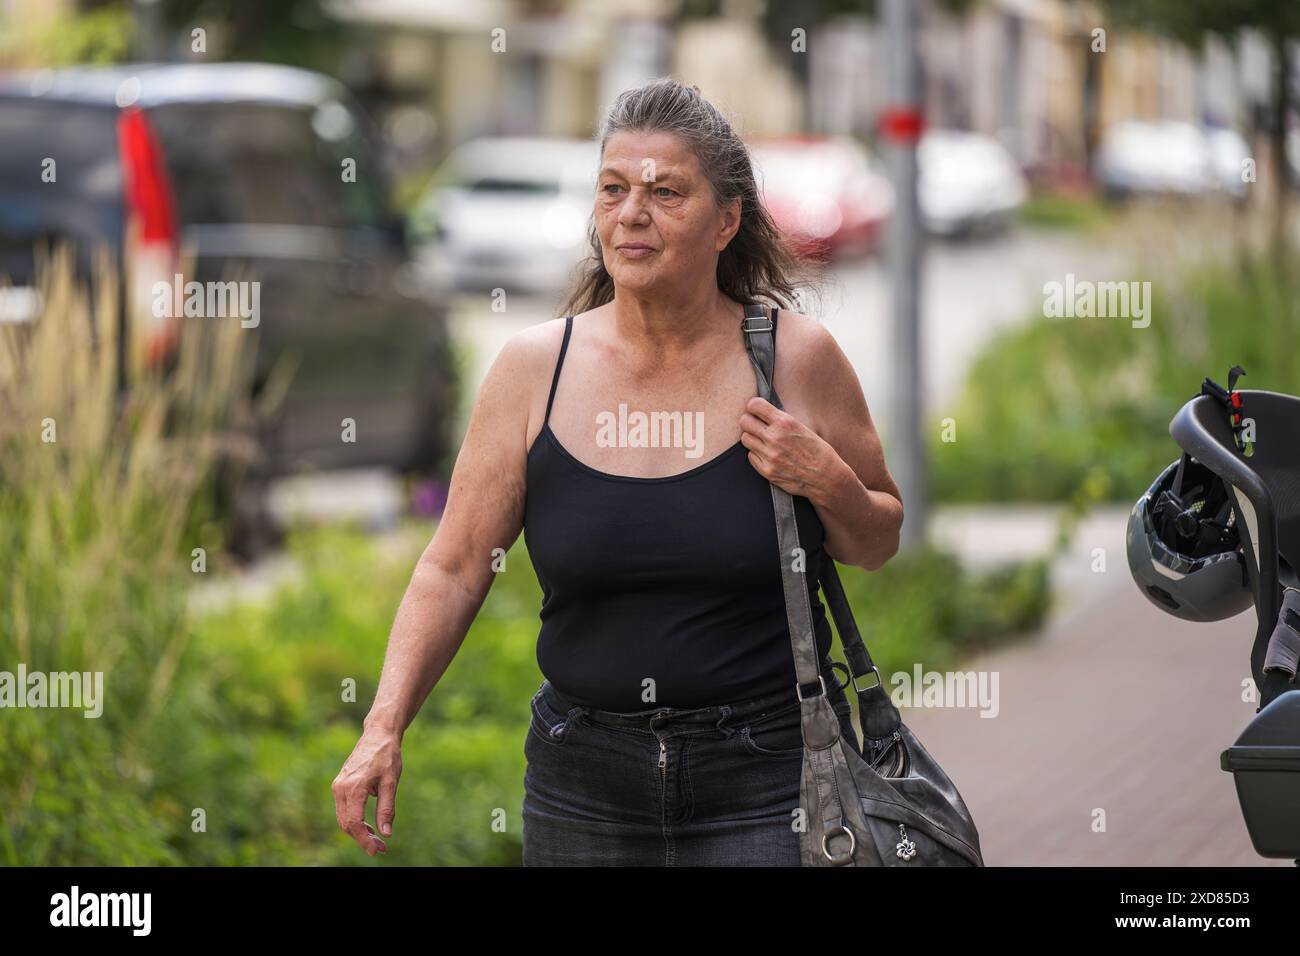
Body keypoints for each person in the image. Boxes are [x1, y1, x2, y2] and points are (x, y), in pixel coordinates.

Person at [331, 77, 904, 866]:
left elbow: (877, 538)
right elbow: (455, 566)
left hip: (770, 777)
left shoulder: (796, 359)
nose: (633, 211)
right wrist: (383, 725)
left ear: (726, 221)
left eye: (667, 191)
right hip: (583, 785)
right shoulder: (537, 369)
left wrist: (825, 477)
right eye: (613, 188)